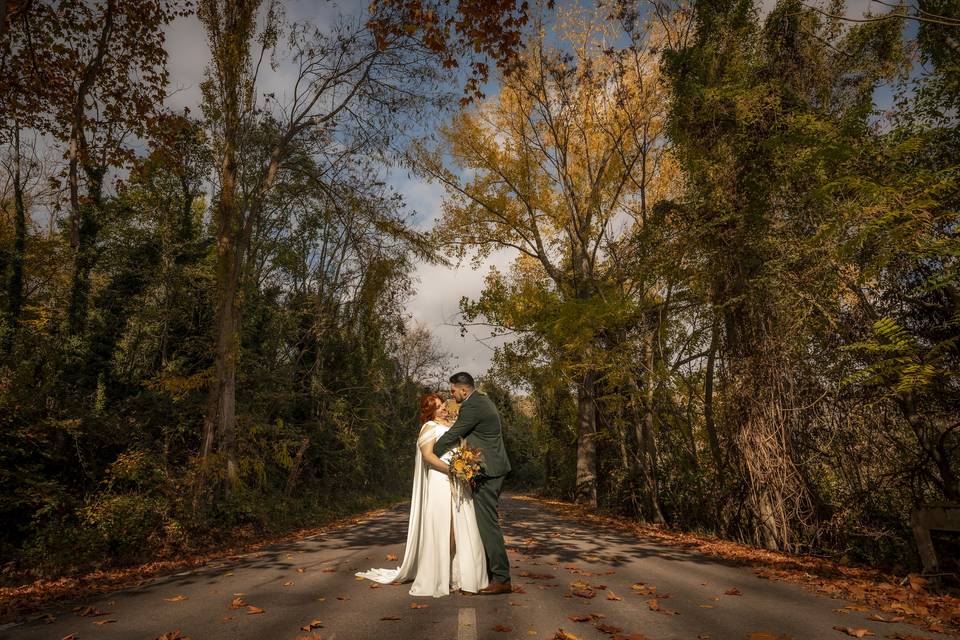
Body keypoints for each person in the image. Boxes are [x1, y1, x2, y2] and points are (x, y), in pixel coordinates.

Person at [355, 394, 488, 597]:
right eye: (438, 407)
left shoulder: (454, 424)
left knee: (458, 526)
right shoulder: (429, 427)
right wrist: (452, 470)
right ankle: (437, 574)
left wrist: (467, 465)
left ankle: (456, 574)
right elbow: (428, 456)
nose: (444, 408)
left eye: (443, 404)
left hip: (458, 478)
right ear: (430, 412)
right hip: (440, 479)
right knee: (443, 526)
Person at [433, 372, 512, 594]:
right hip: (493, 468)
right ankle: (490, 574)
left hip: (489, 471)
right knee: (485, 523)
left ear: (463, 390)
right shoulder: (480, 400)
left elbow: (454, 434)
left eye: (453, 391)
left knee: (488, 524)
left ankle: (502, 578)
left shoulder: (472, 406)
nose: (451, 394)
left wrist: (430, 453)